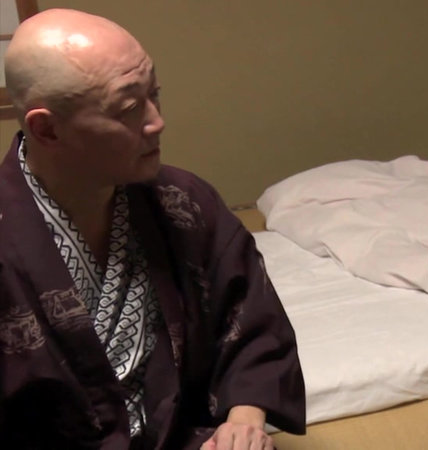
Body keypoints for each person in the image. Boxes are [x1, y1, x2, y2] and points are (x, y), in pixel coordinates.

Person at [0, 8, 305, 449]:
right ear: (46, 129)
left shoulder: (184, 201)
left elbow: (252, 323)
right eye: (128, 108)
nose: (156, 121)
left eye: (154, 94)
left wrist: (244, 420)